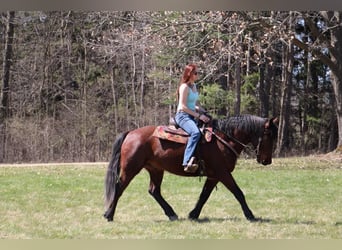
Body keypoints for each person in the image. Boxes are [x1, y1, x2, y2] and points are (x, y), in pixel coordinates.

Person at [175, 63, 210, 173]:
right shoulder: (184, 87)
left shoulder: (193, 86)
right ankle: (186, 162)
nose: (197, 75)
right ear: (189, 74)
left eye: (198, 73)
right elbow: (183, 106)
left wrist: (203, 111)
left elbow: (193, 104)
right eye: (195, 73)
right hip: (182, 115)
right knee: (196, 133)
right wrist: (199, 115)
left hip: (192, 115)